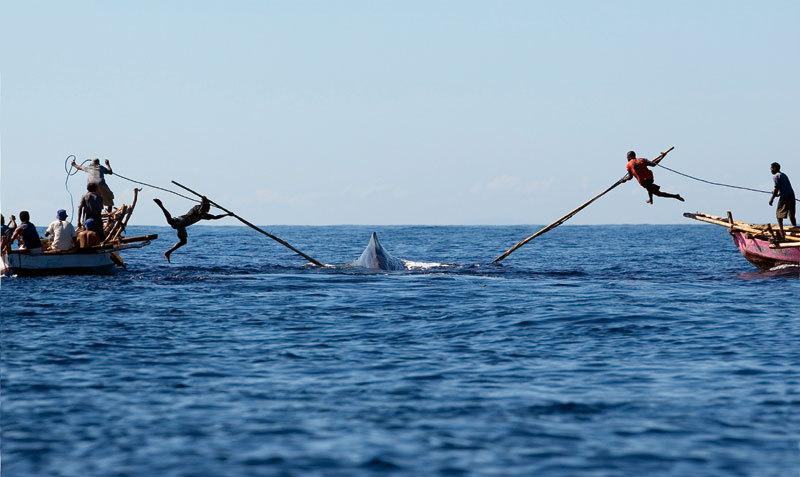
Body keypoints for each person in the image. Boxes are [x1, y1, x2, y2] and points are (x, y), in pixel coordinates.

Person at [153, 196, 231, 262]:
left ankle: (168, 252)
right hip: (179, 221)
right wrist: (203, 200)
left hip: (182, 226)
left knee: (183, 242)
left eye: (204, 212)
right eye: (202, 211)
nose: (203, 213)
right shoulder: (196, 209)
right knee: (171, 221)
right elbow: (201, 207)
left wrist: (227, 214)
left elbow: (215, 217)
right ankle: (161, 205)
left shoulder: (204, 215)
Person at [768, 162, 796, 236]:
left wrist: (772, 199)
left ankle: (782, 233)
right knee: (791, 214)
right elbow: (785, 187)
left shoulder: (776, 176)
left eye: (771, 168)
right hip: (791, 195)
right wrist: (778, 194)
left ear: (774, 168)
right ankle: (796, 229)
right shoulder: (784, 175)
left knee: (779, 215)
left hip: (785, 197)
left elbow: (776, 189)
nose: (770, 170)